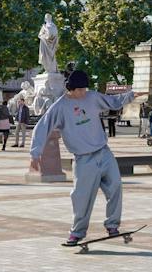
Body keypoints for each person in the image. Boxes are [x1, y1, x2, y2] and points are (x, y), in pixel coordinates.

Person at [29, 70, 137, 247]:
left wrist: (130, 95)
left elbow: (113, 102)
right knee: (82, 197)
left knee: (116, 186)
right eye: (80, 90)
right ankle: (77, 232)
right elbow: (42, 127)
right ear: (71, 89)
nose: (83, 93)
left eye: (85, 89)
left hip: (104, 152)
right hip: (83, 159)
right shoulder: (60, 107)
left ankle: (112, 225)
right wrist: (34, 154)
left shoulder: (92, 97)